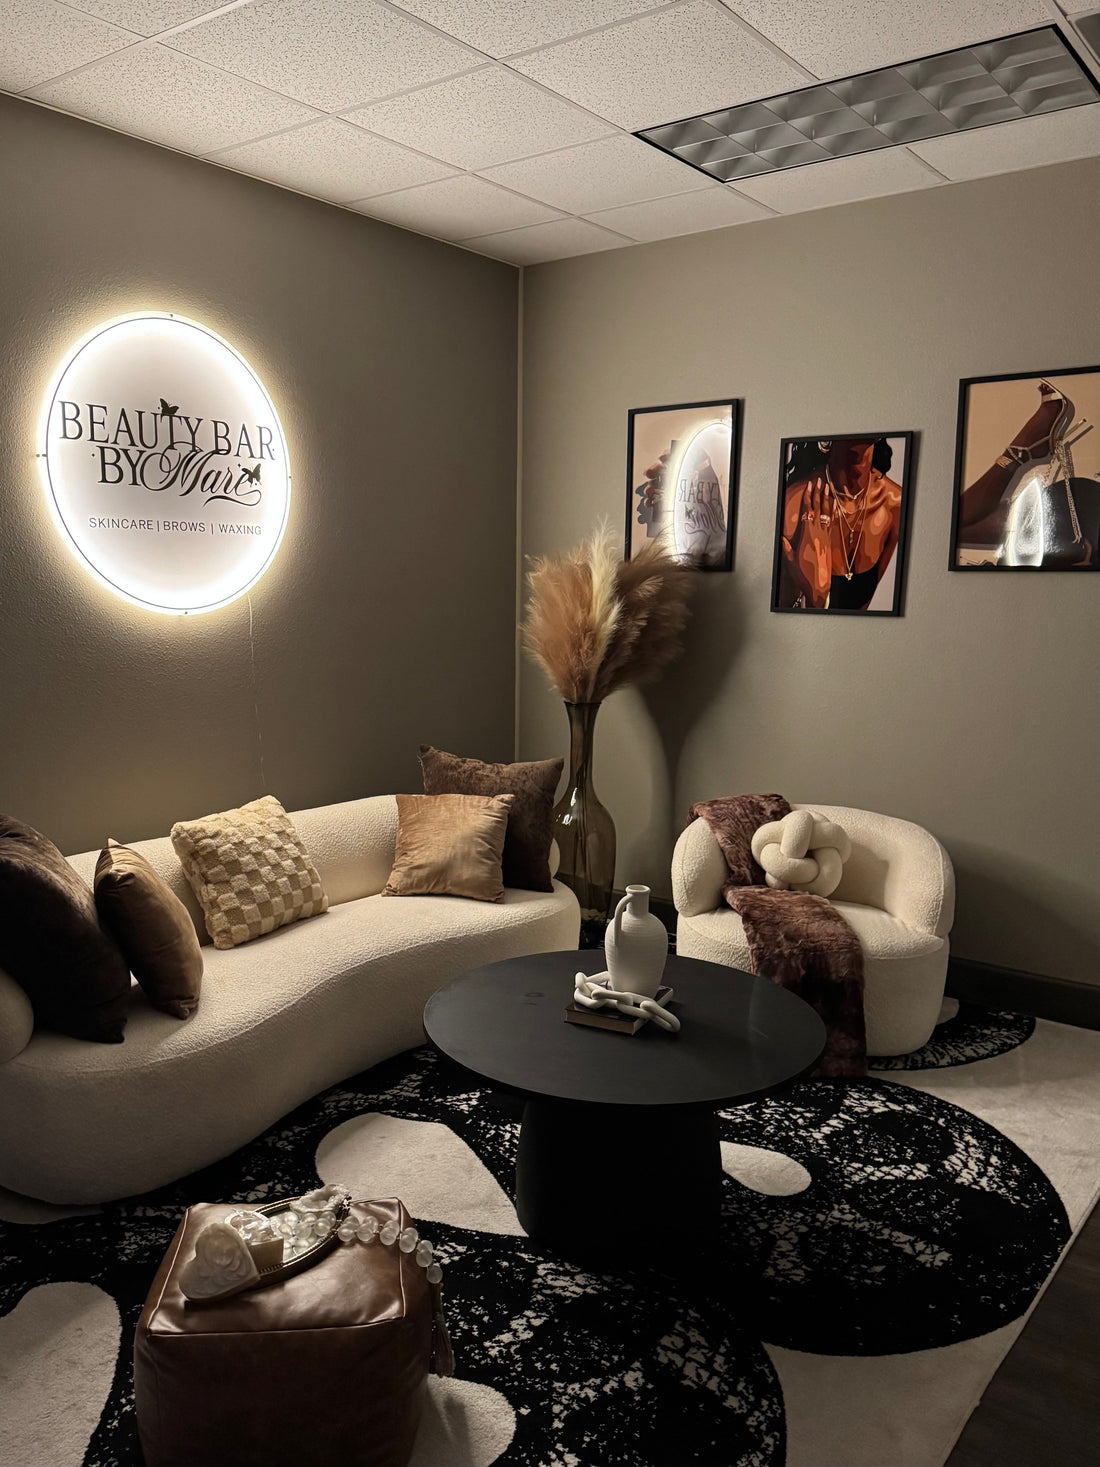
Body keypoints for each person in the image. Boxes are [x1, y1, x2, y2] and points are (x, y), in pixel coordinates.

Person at [777, 438, 902, 610]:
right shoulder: (794, 504)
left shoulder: (895, 503)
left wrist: (819, 596)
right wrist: (816, 597)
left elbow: (861, 618)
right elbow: (780, 616)